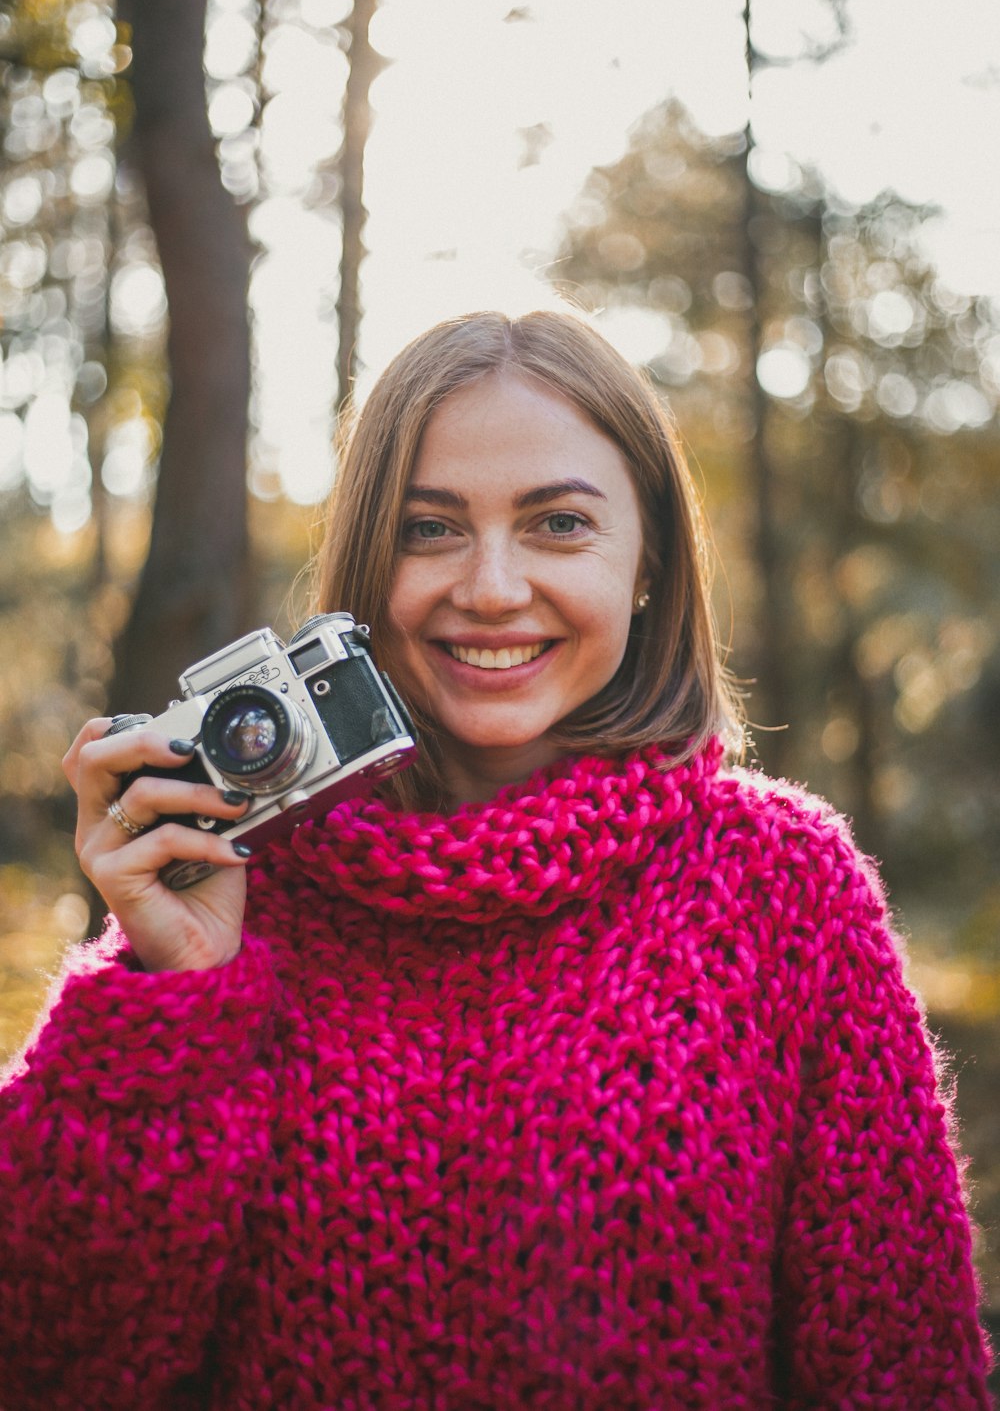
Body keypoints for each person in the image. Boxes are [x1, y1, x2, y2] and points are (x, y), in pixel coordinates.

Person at [0, 310, 992, 1410]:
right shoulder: (235, 883)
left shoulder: (778, 886)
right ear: (370, 564)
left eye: (558, 524)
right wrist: (169, 996)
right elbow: (56, 1360)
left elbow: (903, 1365)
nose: (490, 588)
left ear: (649, 559)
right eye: (430, 530)